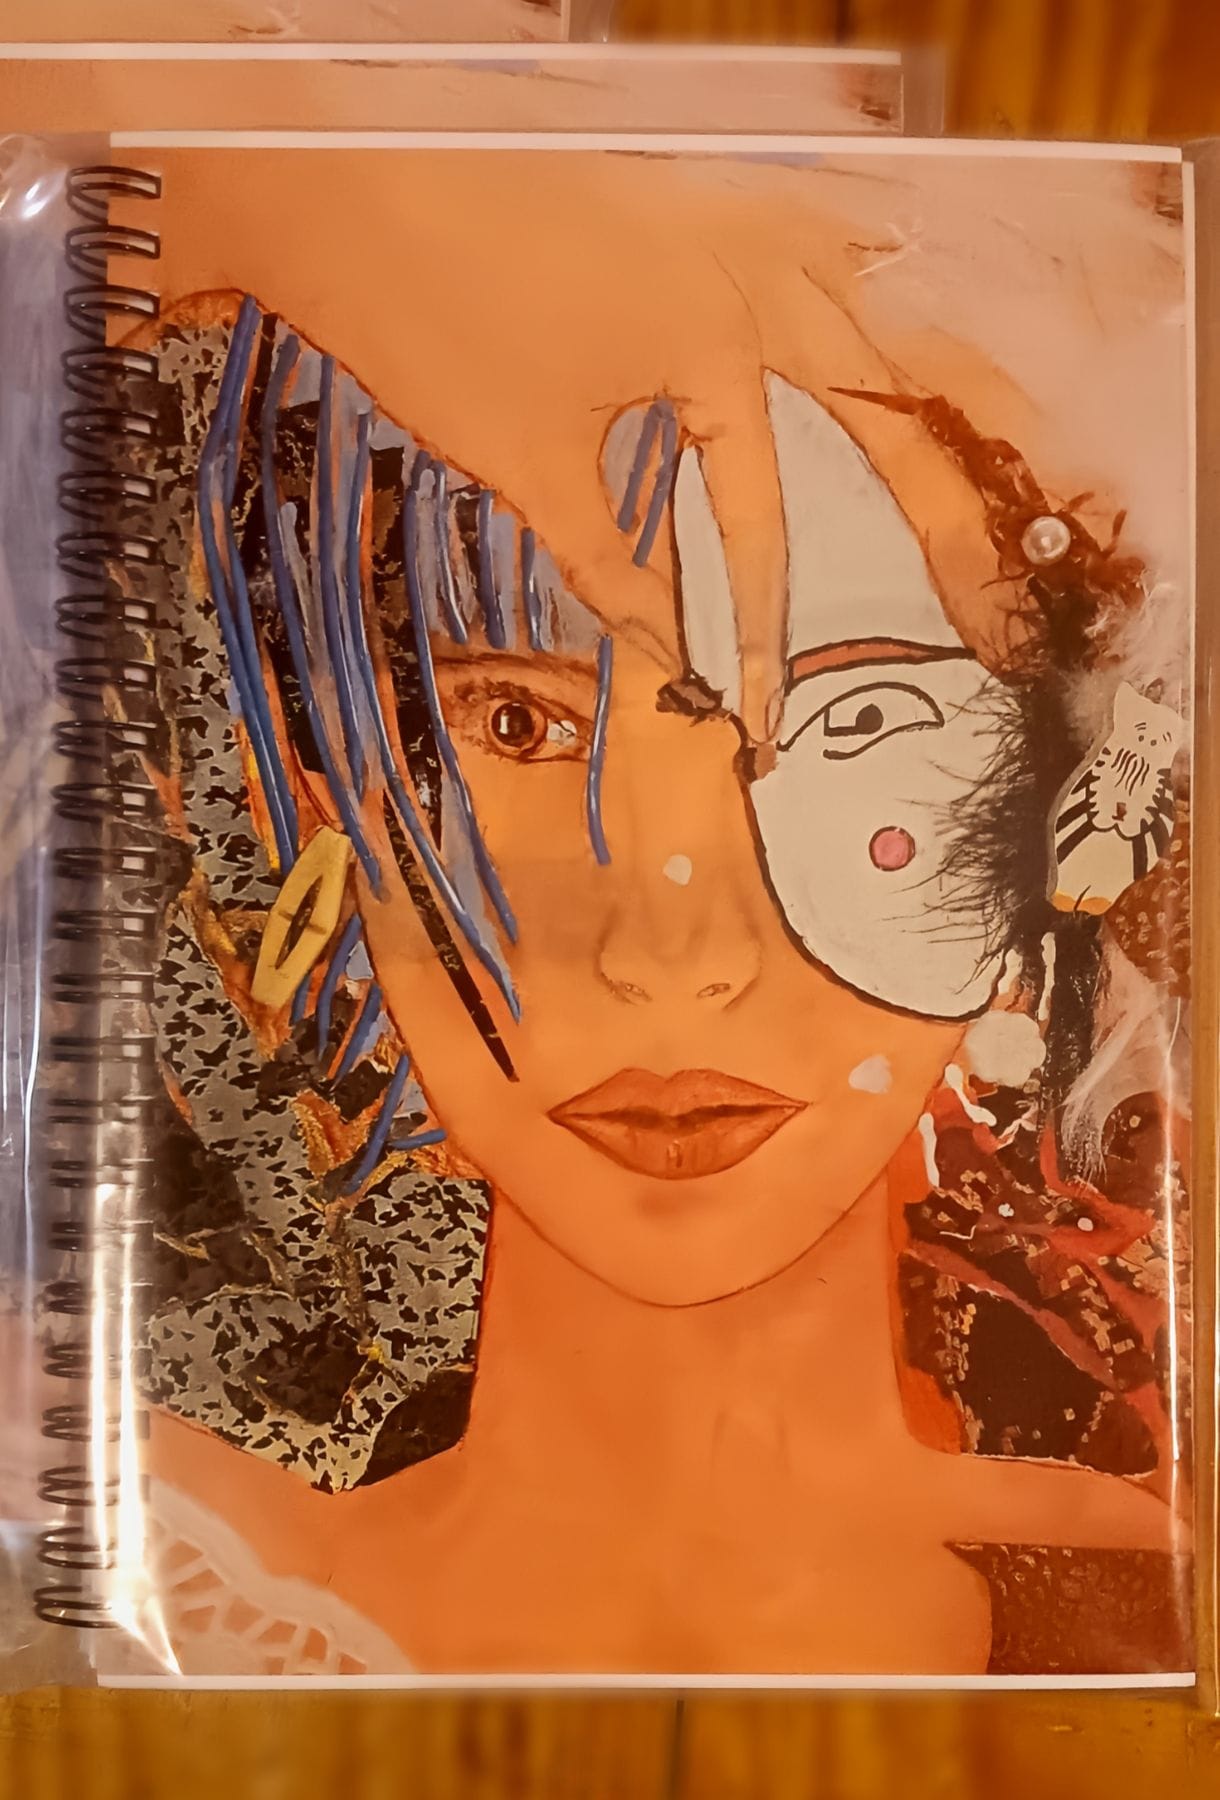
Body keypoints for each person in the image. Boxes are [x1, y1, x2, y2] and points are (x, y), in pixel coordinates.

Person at [122, 152, 1190, 1678]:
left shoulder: (1165, 1609)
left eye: (853, 721)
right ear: (311, 784)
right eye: (516, 725)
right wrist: (336, 192)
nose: (669, 954)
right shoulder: (130, 1545)